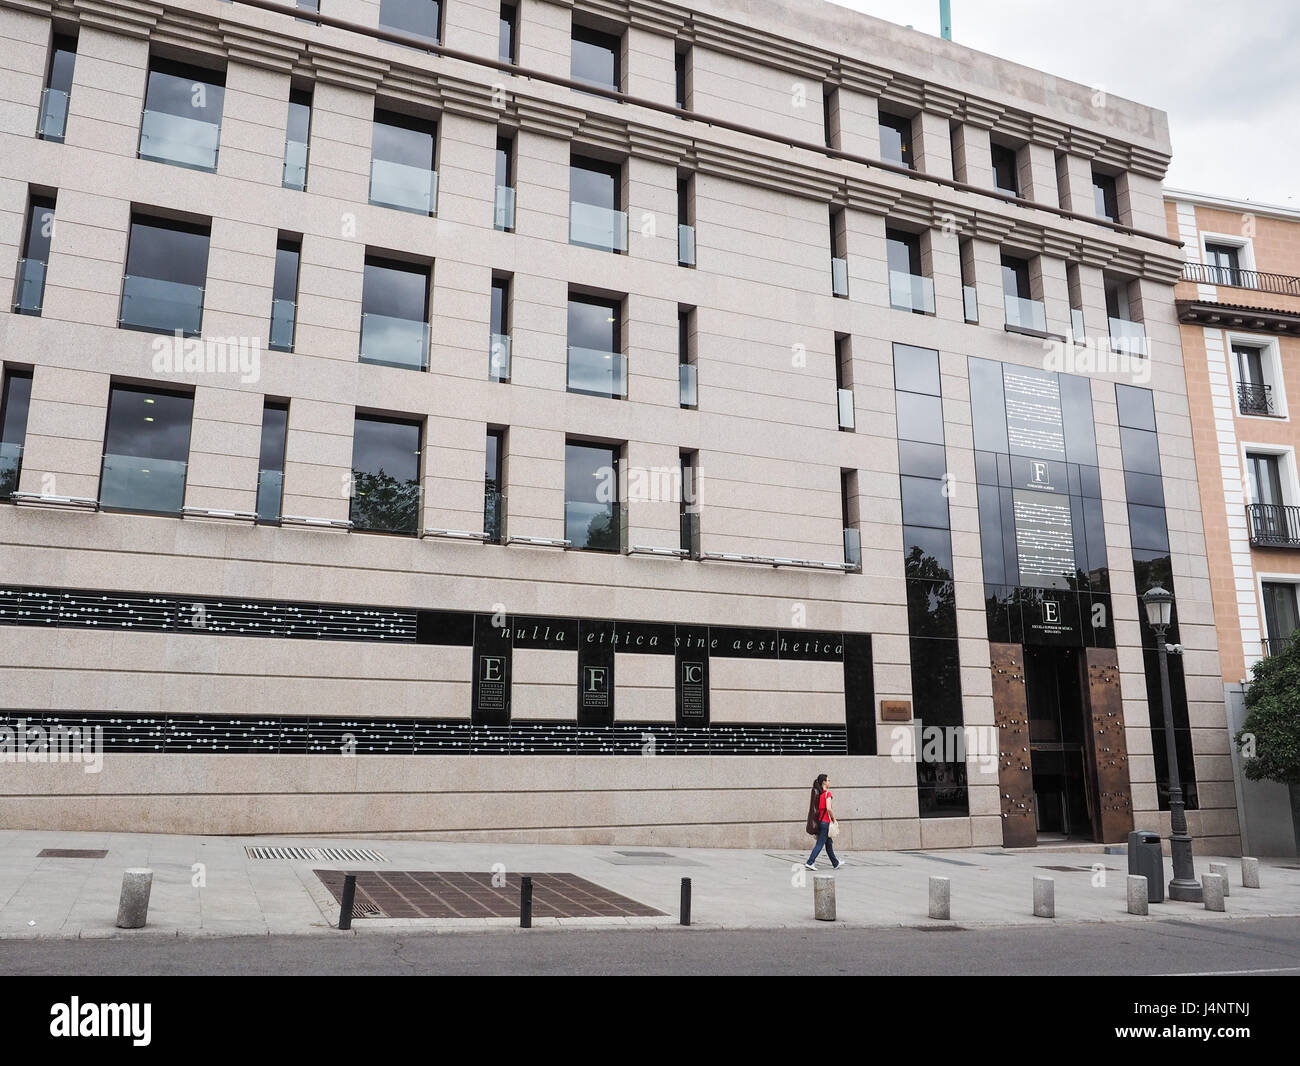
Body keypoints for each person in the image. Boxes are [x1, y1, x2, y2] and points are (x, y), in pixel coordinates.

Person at [804, 772, 843, 870]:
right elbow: (829, 809)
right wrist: (834, 820)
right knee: (820, 844)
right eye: (828, 780)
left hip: (821, 822)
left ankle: (835, 863)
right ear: (824, 782)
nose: (829, 782)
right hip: (826, 823)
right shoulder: (827, 794)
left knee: (828, 844)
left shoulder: (820, 795)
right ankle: (810, 862)